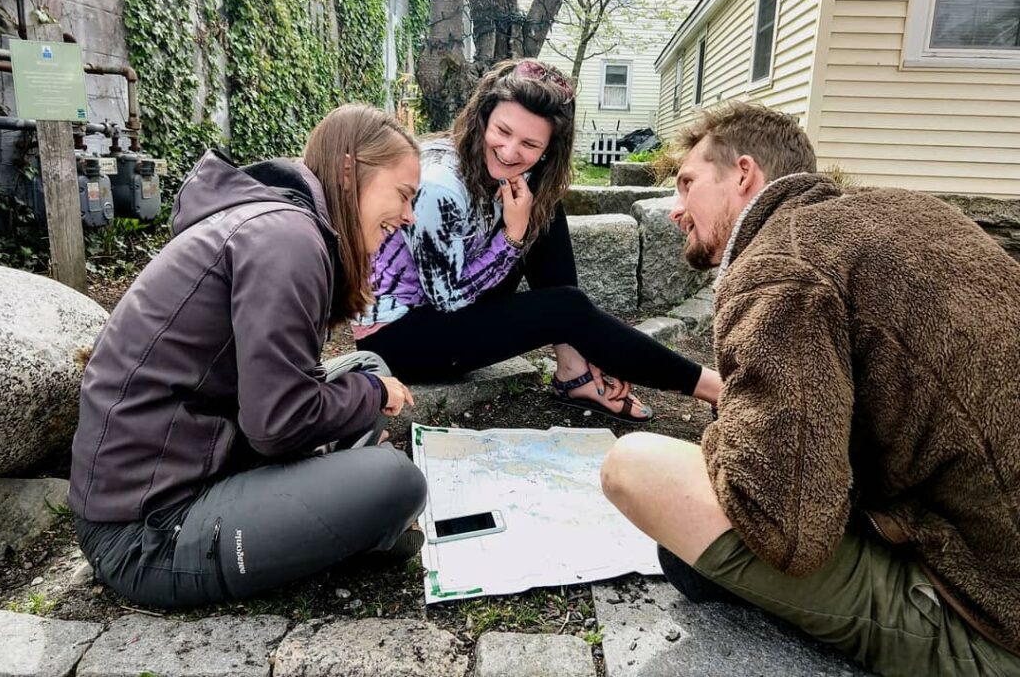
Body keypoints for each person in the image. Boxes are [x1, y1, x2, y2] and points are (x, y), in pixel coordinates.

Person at [600, 103, 1020, 676]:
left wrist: (727, 429)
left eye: (687, 183)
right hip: (991, 537)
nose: (675, 209)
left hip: (995, 622)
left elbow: (790, 529)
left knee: (638, 469)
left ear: (743, 174)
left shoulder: (778, 265)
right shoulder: (915, 211)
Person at [68, 104, 428, 609]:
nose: (409, 216)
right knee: (397, 481)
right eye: (404, 195)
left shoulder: (278, 223)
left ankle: (342, 489)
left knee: (371, 367)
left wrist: (363, 395)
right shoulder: (289, 240)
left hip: (205, 456)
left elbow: (276, 395)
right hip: (146, 531)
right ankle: (360, 510)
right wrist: (367, 399)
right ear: (350, 172)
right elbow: (278, 423)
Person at [355, 58, 720, 420]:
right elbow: (447, 300)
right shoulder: (440, 186)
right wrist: (512, 237)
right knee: (564, 307)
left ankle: (573, 368)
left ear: (549, 149)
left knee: (543, 205)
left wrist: (520, 226)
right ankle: (712, 388)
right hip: (400, 338)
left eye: (530, 144)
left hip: (447, 308)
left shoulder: (509, 172)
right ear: (482, 117)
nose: (510, 151)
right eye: (502, 131)